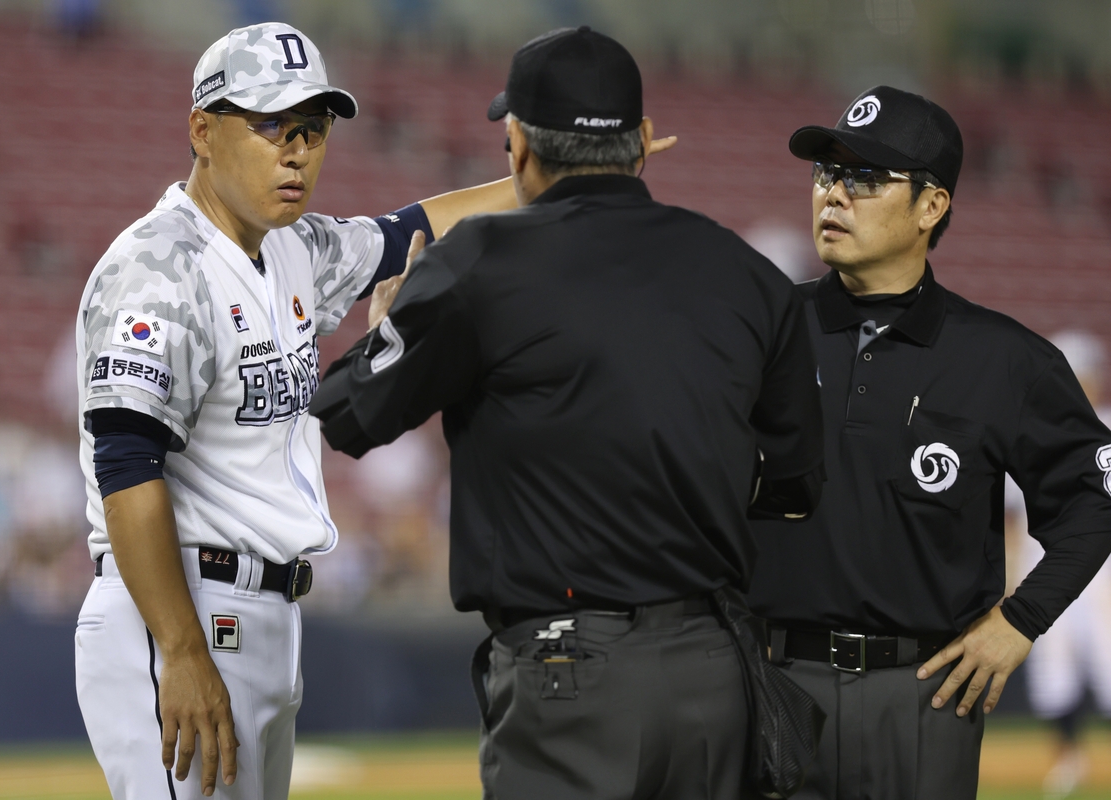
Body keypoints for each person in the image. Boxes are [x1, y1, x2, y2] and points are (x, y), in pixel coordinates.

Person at [71, 21, 639, 799]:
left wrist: (581, 174)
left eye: (313, 127)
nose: (297, 149)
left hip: (260, 613)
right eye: (271, 124)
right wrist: (181, 650)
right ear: (202, 130)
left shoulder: (294, 248)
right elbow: (125, 466)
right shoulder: (157, 269)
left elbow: (419, 228)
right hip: (180, 610)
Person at [307, 26, 825, 799]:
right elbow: (795, 482)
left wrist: (387, 326)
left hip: (567, 669)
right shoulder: (749, 274)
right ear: (644, 141)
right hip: (717, 668)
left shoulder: (480, 263)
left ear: (515, 146)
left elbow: (347, 415)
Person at [746, 86, 1111, 800]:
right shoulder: (760, 329)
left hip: (924, 697)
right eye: (827, 174)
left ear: (931, 206)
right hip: (771, 683)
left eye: (863, 178)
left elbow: (1095, 497)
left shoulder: (1004, 358)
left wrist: (1021, 620)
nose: (834, 194)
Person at [1006, 330, 1111, 799]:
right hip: (1046, 566)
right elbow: (1010, 516)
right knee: (1054, 667)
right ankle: (1067, 758)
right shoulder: (1032, 425)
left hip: (1105, 569)